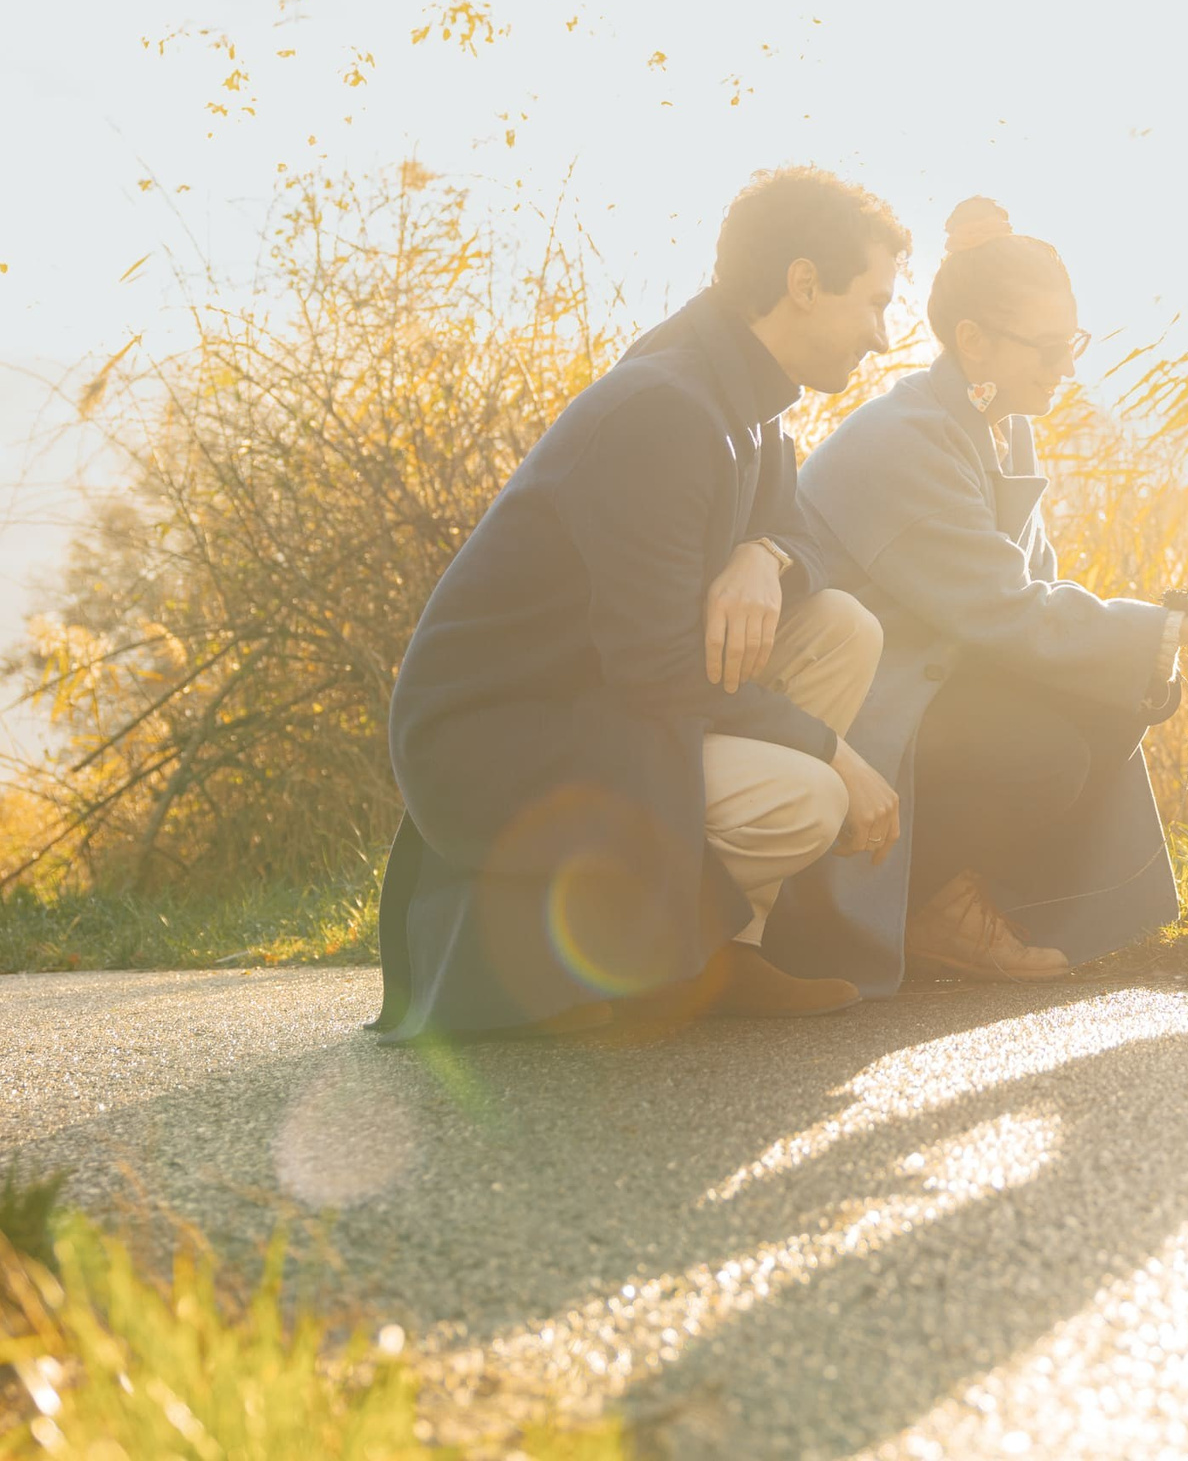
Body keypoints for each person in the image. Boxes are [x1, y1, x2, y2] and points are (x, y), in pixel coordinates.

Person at [369, 166, 910, 1041]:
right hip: (503, 735)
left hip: (607, 701)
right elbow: (656, 665)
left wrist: (762, 557)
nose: (883, 338)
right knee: (808, 796)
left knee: (844, 628)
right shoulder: (664, 409)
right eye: (875, 304)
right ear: (804, 285)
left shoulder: (753, 402)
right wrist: (833, 754)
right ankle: (660, 961)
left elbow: (807, 535)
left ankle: (720, 952)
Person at [768, 197, 1188, 988]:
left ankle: (957, 897)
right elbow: (1007, 610)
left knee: (1120, 698)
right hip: (861, 709)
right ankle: (921, 903)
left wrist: (1176, 627)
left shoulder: (998, 419)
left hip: (937, 677)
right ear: (974, 342)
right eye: (1050, 347)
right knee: (1047, 754)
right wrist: (1181, 631)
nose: (1067, 364)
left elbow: (1037, 586)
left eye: (1074, 343)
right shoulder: (905, 440)